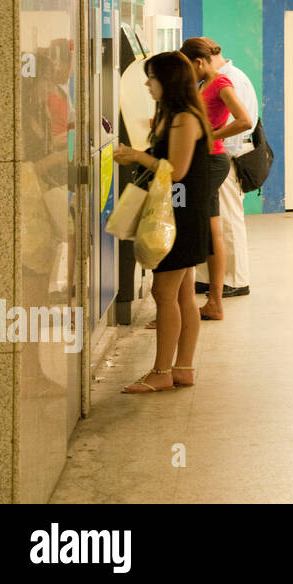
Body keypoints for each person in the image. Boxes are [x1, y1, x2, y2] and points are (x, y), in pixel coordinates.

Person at [112, 51, 212, 393]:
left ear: (168, 81)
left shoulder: (185, 118)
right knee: (183, 293)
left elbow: (178, 171)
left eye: (151, 77)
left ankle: (161, 372)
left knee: (163, 291)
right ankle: (182, 369)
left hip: (179, 215)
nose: (147, 83)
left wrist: (137, 155)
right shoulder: (173, 116)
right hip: (180, 211)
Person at [177, 38, 253, 322]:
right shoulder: (202, 85)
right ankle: (214, 303)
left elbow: (244, 120)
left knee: (194, 229)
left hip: (211, 161)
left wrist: (209, 135)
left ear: (198, 62)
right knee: (211, 231)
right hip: (203, 160)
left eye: (189, 67)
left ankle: (185, 304)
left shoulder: (221, 84)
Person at [193, 37, 259, 299]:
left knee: (229, 221)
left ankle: (236, 279)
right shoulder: (216, 78)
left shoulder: (230, 80)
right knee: (216, 221)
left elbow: (240, 122)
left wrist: (214, 140)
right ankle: (212, 278)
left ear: (202, 60)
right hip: (221, 155)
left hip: (229, 157)